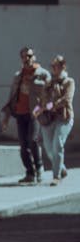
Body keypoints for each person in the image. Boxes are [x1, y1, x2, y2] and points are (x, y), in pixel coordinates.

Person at [1, 46, 50, 184]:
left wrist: (45, 109)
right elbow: (12, 98)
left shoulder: (43, 74)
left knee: (32, 141)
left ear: (34, 57)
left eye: (29, 56)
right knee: (23, 146)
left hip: (34, 114)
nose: (26, 59)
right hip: (20, 114)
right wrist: (6, 118)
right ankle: (30, 173)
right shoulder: (18, 76)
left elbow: (53, 97)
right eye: (23, 56)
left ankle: (39, 168)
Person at [40, 54, 75, 186]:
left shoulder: (69, 81)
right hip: (49, 119)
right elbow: (43, 100)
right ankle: (62, 169)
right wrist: (38, 110)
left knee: (57, 144)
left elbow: (66, 99)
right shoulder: (48, 83)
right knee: (49, 149)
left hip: (64, 118)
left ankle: (57, 176)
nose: (53, 68)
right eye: (52, 66)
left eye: (56, 66)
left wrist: (49, 106)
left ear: (63, 66)